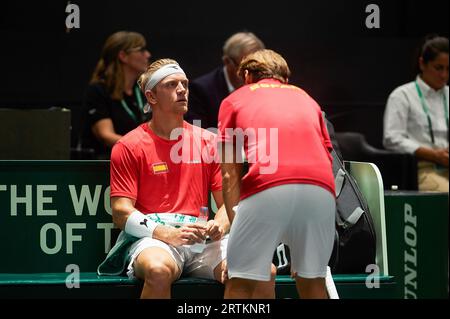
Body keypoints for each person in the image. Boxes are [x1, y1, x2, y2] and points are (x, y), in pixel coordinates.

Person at [97, 58, 274, 299]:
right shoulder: (128, 146)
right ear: (151, 96)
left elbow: (227, 204)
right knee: (158, 270)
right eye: (171, 85)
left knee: (260, 271)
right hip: (155, 239)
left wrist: (218, 226)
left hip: (201, 238)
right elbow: (121, 212)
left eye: (184, 84)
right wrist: (166, 233)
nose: (182, 90)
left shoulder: (209, 142)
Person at [218, 49, 336, 299]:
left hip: (268, 187)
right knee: (312, 283)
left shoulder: (234, 99)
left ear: (248, 75)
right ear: (284, 76)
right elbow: (328, 157)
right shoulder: (308, 99)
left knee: (240, 281)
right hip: (322, 190)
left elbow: (229, 174)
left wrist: (236, 225)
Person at [383, 35, 449, 192]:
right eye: (438, 68)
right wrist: (433, 154)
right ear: (422, 64)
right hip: (423, 169)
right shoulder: (402, 95)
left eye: (448, 69)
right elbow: (392, 138)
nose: (444, 75)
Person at [80, 31, 152, 159]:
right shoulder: (98, 91)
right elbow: (106, 135)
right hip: (106, 166)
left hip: (138, 161)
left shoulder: (141, 91)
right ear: (123, 56)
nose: (148, 55)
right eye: (141, 50)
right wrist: (145, 147)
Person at [185, 31, 265, 129]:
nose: (252, 75)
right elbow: (197, 135)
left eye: (258, 68)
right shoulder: (201, 90)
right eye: (246, 68)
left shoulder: (263, 87)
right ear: (227, 62)